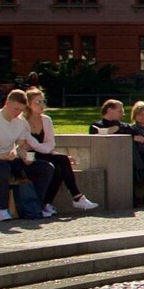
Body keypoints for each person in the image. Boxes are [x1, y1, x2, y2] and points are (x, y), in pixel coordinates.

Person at [0, 90, 55, 221]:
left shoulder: (20, 122)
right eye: (15, 109)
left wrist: (24, 156)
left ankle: (36, 205)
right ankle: (2, 209)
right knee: (3, 168)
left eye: (21, 110)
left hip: (10, 158)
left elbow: (20, 145)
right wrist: (4, 157)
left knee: (46, 167)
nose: (17, 113)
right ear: (7, 103)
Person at [22, 88, 98, 216]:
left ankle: (48, 204)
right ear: (28, 104)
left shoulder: (46, 120)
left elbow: (50, 144)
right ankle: (75, 197)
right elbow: (32, 145)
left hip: (43, 154)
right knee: (61, 161)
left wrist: (52, 152)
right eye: (37, 102)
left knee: (60, 165)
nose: (42, 105)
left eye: (43, 101)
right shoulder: (22, 122)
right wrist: (50, 152)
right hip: (28, 157)